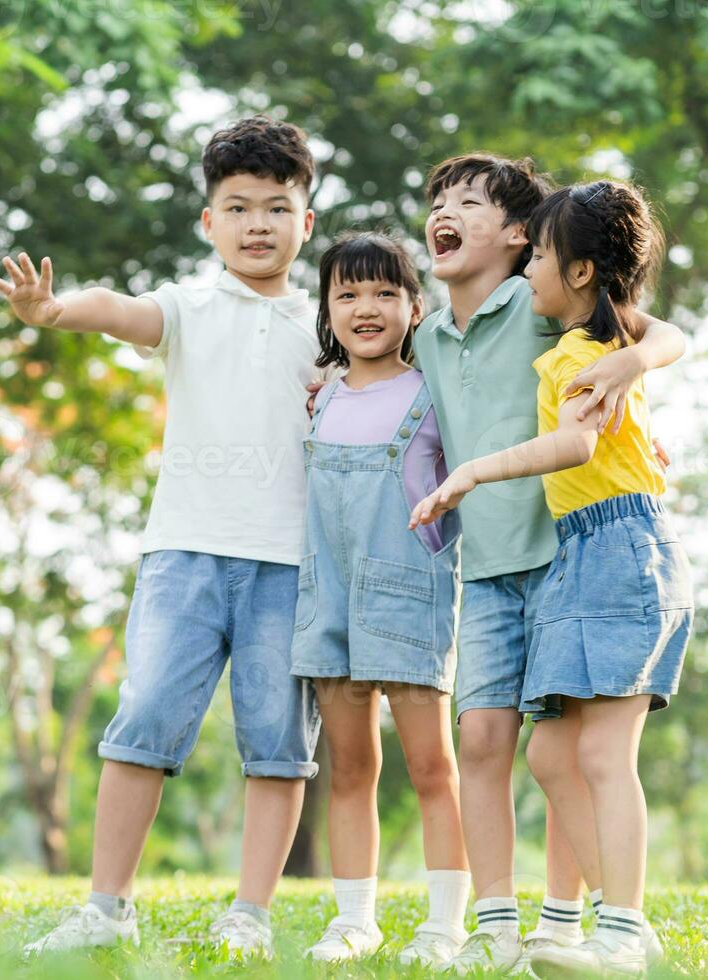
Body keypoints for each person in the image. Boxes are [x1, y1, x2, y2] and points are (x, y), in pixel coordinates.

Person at [0, 116, 328, 961]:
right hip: (183, 552)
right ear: (207, 222)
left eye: (277, 207)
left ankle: (250, 913)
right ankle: (106, 906)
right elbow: (118, 310)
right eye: (238, 207)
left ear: (306, 222)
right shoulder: (187, 304)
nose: (258, 224)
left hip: (292, 562)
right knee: (141, 719)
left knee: (277, 743)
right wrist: (55, 310)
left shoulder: (330, 320)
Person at [408, 154, 685, 974]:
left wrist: (634, 360)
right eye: (440, 200)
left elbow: (653, 333)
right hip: (496, 564)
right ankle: (520, 924)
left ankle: (591, 923)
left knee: (579, 748)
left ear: (528, 240)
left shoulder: (547, 313)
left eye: (469, 201)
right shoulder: (431, 333)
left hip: (578, 556)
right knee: (521, 747)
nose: (446, 211)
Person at [291, 232, 469, 966]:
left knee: (431, 766)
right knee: (350, 765)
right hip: (326, 597)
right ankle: (354, 920)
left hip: (408, 594)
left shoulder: (435, 394)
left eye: (385, 293)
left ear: (415, 305)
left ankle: (445, 924)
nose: (367, 308)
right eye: (348, 294)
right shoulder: (320, 398)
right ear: (327, 310)